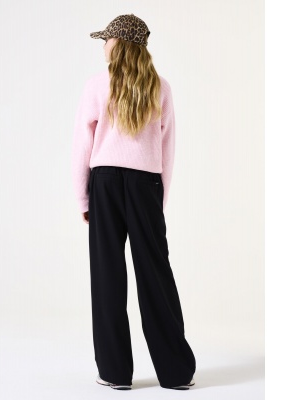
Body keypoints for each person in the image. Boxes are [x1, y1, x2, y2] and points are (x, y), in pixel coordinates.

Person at [71, 14, 196, 390]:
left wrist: (82, 196)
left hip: (106, 182)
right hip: (146, 185)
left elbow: (82, 145)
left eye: (105, 40)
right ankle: (176, 373)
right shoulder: (160, 87)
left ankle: (114, 372)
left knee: (107, 274)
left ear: (118, 43)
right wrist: (159, 200)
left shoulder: (97, 85)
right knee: (155, 273)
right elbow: (167, 150)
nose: (103, 46)